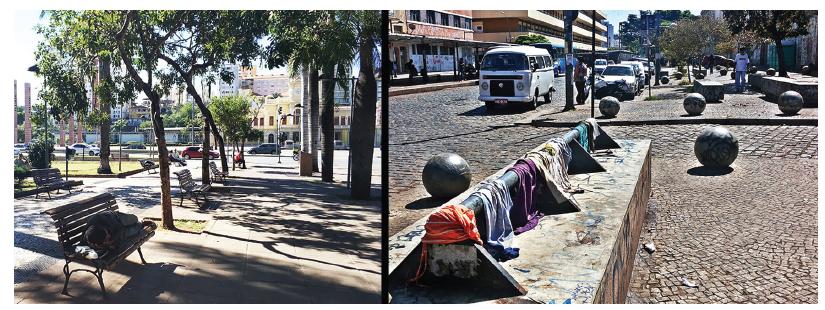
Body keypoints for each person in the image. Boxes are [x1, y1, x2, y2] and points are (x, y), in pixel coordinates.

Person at [84, 210, 156, 254]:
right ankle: (141, 224)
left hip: (117, 218)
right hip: (113, 228)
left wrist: (112, 241)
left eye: (108, 236)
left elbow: (120, 231)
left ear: (105, 230)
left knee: (134, 219)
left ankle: (141, 223)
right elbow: (81, 248)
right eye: (106, 239)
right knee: (130, 232)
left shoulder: (111, 223)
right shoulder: (88, 235)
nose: (108, 237)